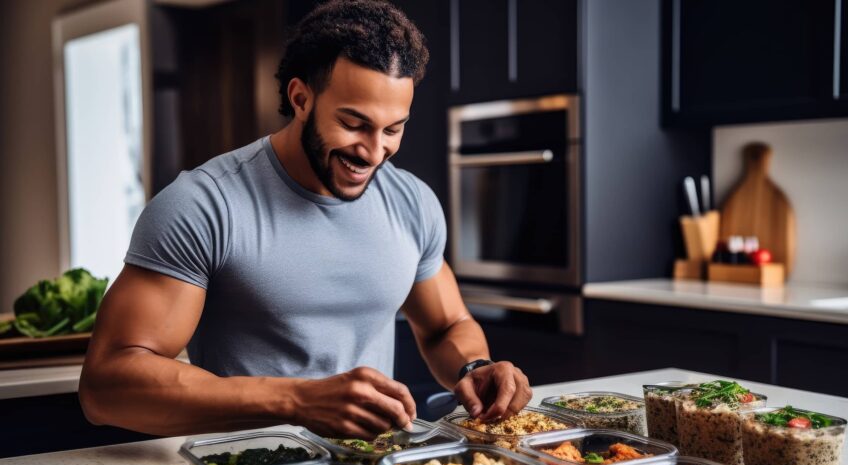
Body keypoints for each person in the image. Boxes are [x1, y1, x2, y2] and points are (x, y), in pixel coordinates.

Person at [79, 0, 532, 439]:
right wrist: (296, 400)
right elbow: (106, 387)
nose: (374, 152)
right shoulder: (203, 205)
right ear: (300, 98)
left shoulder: (411, 201)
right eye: (354, 124)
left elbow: (446, 325)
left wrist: (474, 367)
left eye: (393, 129)